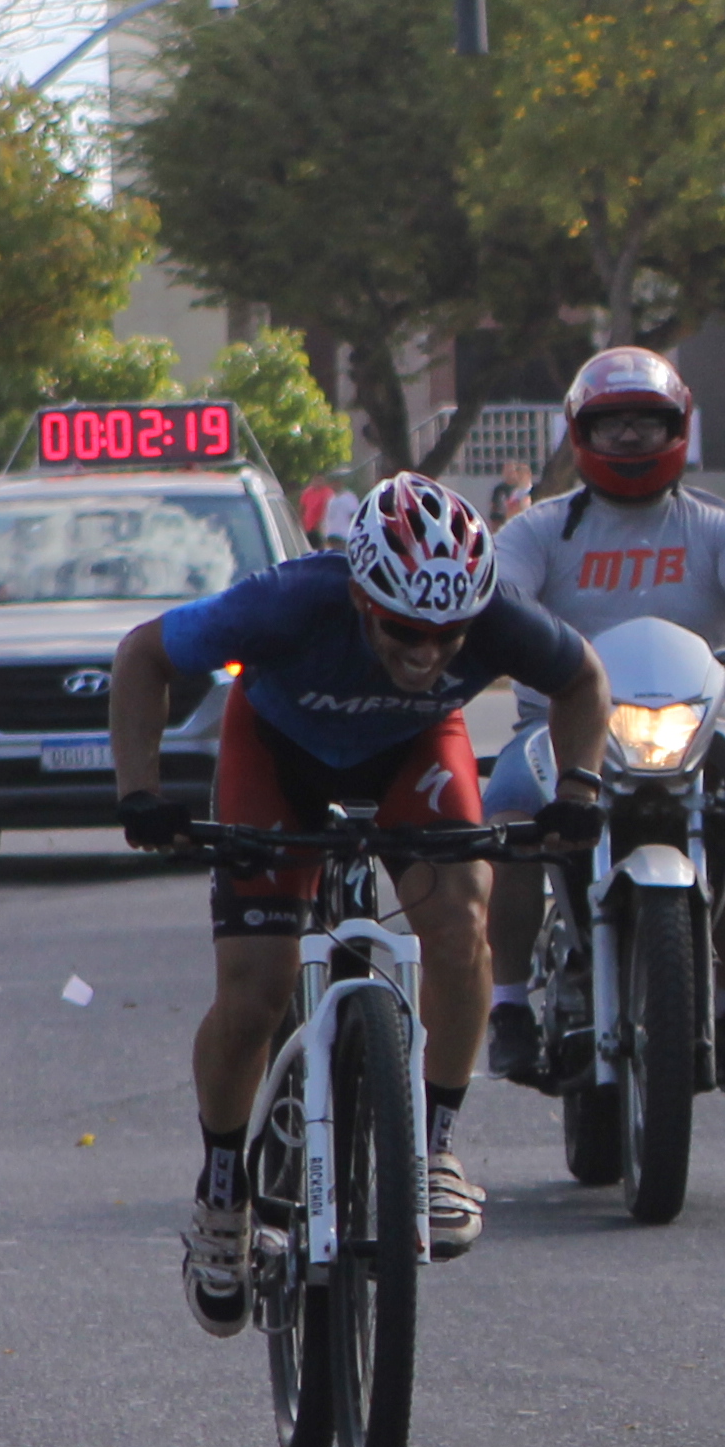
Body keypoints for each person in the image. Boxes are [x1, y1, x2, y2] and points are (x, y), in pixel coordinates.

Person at [104, 475, 610, 1316]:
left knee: (460, 926)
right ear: (360, 594)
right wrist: (140, 795)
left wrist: (581, 794)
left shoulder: (490, 621)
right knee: (255, 993)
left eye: (449, 638)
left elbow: (584, 681)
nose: (428, 655)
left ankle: (435, 1148)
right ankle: (223, 1192)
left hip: (411, 752)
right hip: (276, 752)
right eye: (405, 631)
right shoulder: (292, 603)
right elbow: (141, 655)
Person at [480, 344, 725, 1105]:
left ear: (679, 427)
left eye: (649, 422)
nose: (632, 438)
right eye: (613, 425)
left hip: (700, 734)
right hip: (558, 730)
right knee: (507, 825)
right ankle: (506, 1005)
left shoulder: (717, 525)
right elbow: (497, 599)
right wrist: (491, 640)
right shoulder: (541, 529)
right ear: (582, 432)